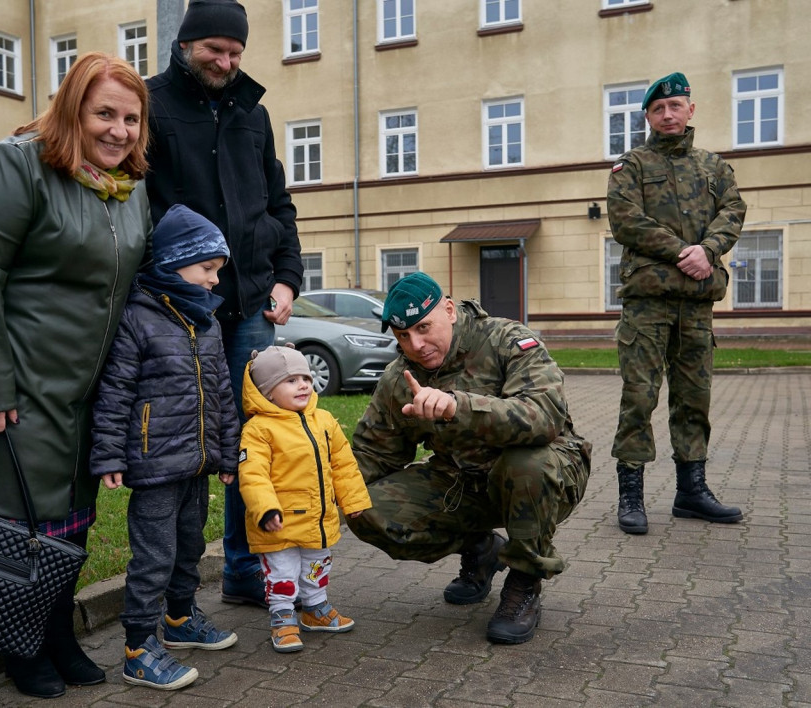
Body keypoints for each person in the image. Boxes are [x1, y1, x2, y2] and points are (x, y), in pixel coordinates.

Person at [0, 52, 152, 699]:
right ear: (72, 108)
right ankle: (14, 640)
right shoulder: (16, 167)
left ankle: (53, 631)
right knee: (14, 516)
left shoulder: (130, 191)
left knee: (69, 516)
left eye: (131, 118)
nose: (119, 130)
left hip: (81, 389)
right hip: (14, 382)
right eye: (105, 112)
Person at [145, 0, 303, 609]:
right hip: (184, 313)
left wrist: (286, 279)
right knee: (187, 445)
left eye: (235, 52)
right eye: (215, 48)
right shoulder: (153, 107)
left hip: (254, 310)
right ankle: (172, 590)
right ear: (186, 44)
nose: (226, 61)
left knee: (253, 444)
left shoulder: (252, 114)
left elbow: (278, 206)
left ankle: (244, 572)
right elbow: (144, 210)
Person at [347, 272, 591, 645]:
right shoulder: (400, 378)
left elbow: (544, 416)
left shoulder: (505, 339)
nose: (416, 344)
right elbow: (374, 452)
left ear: (449, 309)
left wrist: (456, 407)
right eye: (402, 336)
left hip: (546, 473)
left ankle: (524, 582)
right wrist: (320, 492)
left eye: (423, 328)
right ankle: (481, 548)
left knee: (527, 465)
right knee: (365, 508)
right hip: (463, 481)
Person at [90, 204, 240, 691]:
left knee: (190, 546)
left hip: (196, 465)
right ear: (175, 263)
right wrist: (110, 454)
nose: (216, 280)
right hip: (155, 466)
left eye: (218, 271)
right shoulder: (139, 317)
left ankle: (179, 621)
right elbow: (114, 392)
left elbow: (221, 394)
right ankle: (137, 648)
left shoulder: (208, 323)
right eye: (208, 269)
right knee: (154, 556)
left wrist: (227, 451)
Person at [607, 72, 746, 535]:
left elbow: (733, 209)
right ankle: (632, 496)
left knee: (693, 400)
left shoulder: (714, 167)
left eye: (676, 106)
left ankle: (691, 493)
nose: (668, 115)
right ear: (648, 116)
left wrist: (709, 250)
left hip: (696, 306)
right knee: (639, 398)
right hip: (647, 306)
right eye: (658, 109)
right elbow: (626, 221)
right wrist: (683, 250)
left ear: (691, 109)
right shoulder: (632, 166)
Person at [237, 346, 372, 652]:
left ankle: (314, 609)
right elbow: (253, 473)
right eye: (290, 380)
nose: (303, 385)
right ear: (268, 393)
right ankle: (283, 618)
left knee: (316, 567)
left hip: (318, 520)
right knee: (283, 574)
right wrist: (265, 508)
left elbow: (343, 463)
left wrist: (353, 501)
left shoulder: (323, 420)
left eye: (305, 378)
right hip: (279, 523)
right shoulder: (259, 429)